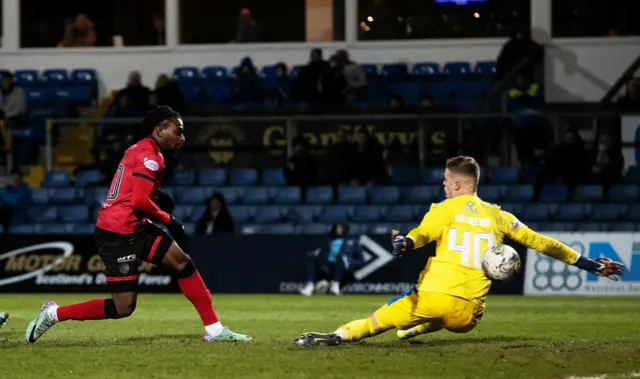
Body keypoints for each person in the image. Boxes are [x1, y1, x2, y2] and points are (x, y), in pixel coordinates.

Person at [295, 156, 624, 346]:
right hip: (468, 315)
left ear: (456, 185)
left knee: (376, 321)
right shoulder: (499, 215)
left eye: (445, 180)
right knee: (444, 316)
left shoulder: (445, 207)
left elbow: (422, 234)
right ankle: (416, 329)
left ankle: (334, 337)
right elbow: (542, 243)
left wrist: (407, 242)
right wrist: (592, 265)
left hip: (432, 298)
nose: (442, 185)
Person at [25, 106, 251, 344]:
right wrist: (168, 220)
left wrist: (157, 196)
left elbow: (135, 193)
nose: (182, 137)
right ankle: (54, 314)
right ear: (160, 129)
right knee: (123, 307)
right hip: (116, 233)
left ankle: (214, 330)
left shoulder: (144, 150)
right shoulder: (149, 157)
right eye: (178, 130)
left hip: (136, 226)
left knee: (182, 263)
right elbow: (140, 202)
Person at [299, 222, 363, 297]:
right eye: (337, 228)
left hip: (344, 268)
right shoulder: (328, 239)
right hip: (327, 266)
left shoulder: (353, 242)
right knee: (312, 257)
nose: (339, 230)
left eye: (341, 228)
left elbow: (361, 261)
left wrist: (348, 261)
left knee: (340, 257)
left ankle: (335, 285)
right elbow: (322, 252)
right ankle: (310, 286)